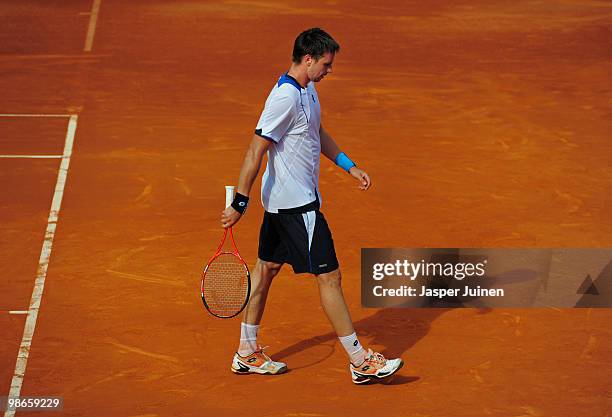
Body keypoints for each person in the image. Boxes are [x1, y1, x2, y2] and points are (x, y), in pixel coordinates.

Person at [221, 27, 403, 384]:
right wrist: (240, 203)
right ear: (308, 59)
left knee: (267, 268)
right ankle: (359, 361)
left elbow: (317, 133)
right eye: (326, 64)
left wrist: (350, 166)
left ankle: (246, 352)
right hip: (297, 207)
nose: (329, 70)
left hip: (281, 203)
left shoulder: (308, 89)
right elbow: (255, 150)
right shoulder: (284, 98)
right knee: (330, 277)